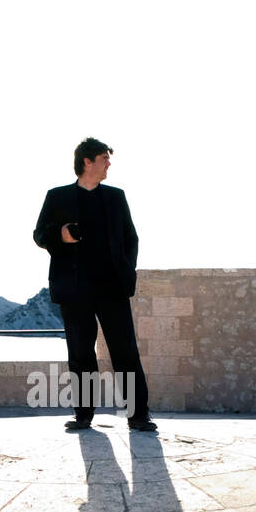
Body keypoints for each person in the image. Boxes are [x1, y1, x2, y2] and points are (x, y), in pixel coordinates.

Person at [32, 137, 156, 432]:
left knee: (125, 350)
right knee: (80, 352)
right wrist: (59, 235)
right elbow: (39, 235)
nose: (108, 164)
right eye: (104, 158)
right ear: (87, 161)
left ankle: (138, 415)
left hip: (111, 287)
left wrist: (126, 271)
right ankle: (83, 415)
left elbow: (131, 239)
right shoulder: (57, 196)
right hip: (74, 289)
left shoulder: (115, 197)